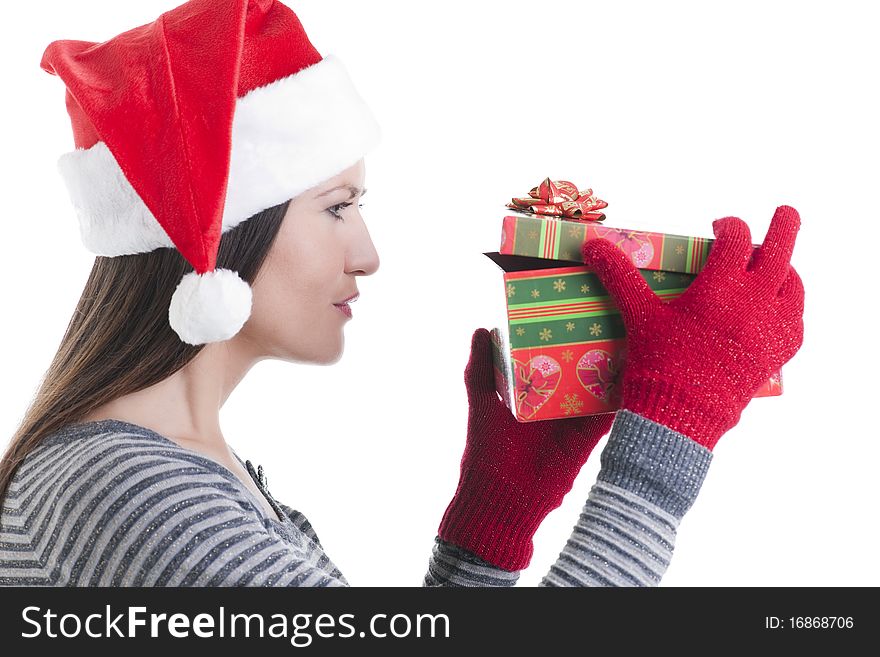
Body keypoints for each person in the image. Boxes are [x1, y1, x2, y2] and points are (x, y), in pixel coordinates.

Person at [0, 0, 804, 587]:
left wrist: (489, 532)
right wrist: (669, 438)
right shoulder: (132, 493)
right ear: (220, 235)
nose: (369, 254)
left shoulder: (182, 470)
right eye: (336, 207)